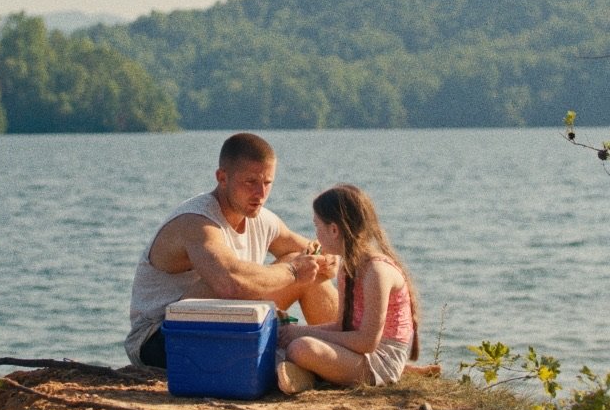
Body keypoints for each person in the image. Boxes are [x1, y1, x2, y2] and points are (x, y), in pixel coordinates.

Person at [126, 132, 337, 368]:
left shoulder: (263, 219)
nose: (260, 194)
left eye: (267, 183)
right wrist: (294, 272)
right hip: (160, 338)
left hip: (222, 326)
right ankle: (288, 360)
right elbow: (229, 284)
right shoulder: (196, 222)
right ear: (222, 177)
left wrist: (327, 262)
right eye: (250, 182)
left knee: (306, 261)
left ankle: (342, 352)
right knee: (221, 281)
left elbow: (312, 251)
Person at [275, 183, 420, 393]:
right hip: (361, 355)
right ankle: (303, 373)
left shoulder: (377, 272)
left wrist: (300, 333)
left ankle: (306, 377)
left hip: (379, 362)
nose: (315, 235)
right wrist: (293, 331)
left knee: (300, 347)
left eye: (317, 227)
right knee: (284, 342)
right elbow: (342, 327)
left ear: (334, 230)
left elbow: (366, 342)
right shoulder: (347, 268)